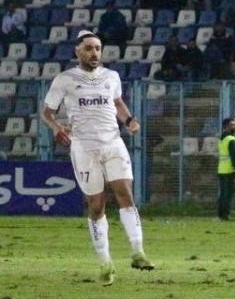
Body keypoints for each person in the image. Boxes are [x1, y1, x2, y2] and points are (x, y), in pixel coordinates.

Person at [39, 31, 155, 285]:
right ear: (77, 51)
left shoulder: (111, 76)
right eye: (89, 48)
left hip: (113, 143)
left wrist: (129, 120)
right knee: (96, 205)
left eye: (98, 48)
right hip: (84, 148)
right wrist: (57, 128)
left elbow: (117, 103)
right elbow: (47, 112)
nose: (95, 53)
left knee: (126, 195)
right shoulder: (65, 79)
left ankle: (138, 252)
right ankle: (105, 262)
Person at [217, 117, 235, 220]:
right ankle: (226, 215)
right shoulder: (231, 140)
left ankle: (220, 214)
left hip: (221, 169)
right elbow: (234, 156)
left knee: (223, 193)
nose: (234, 127)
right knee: (228, 194)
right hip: (229, 170)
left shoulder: (221, 139)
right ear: (226, 127)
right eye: (232, 125)